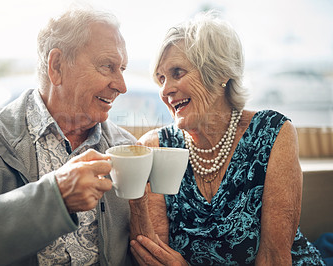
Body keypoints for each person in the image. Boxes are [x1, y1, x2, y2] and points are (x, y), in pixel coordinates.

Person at [0, 7, 137, 266]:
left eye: (123, 69)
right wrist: (53, 198)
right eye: (108, 66)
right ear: (57, 66)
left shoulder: (128, 148)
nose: (122, 85)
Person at [128, 10, 326, 265]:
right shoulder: (154, 148)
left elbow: (274, 258)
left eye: (178, 72)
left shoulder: (273, 133)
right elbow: (154, 257)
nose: (165, 90)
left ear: (220, 73)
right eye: (161, 78)